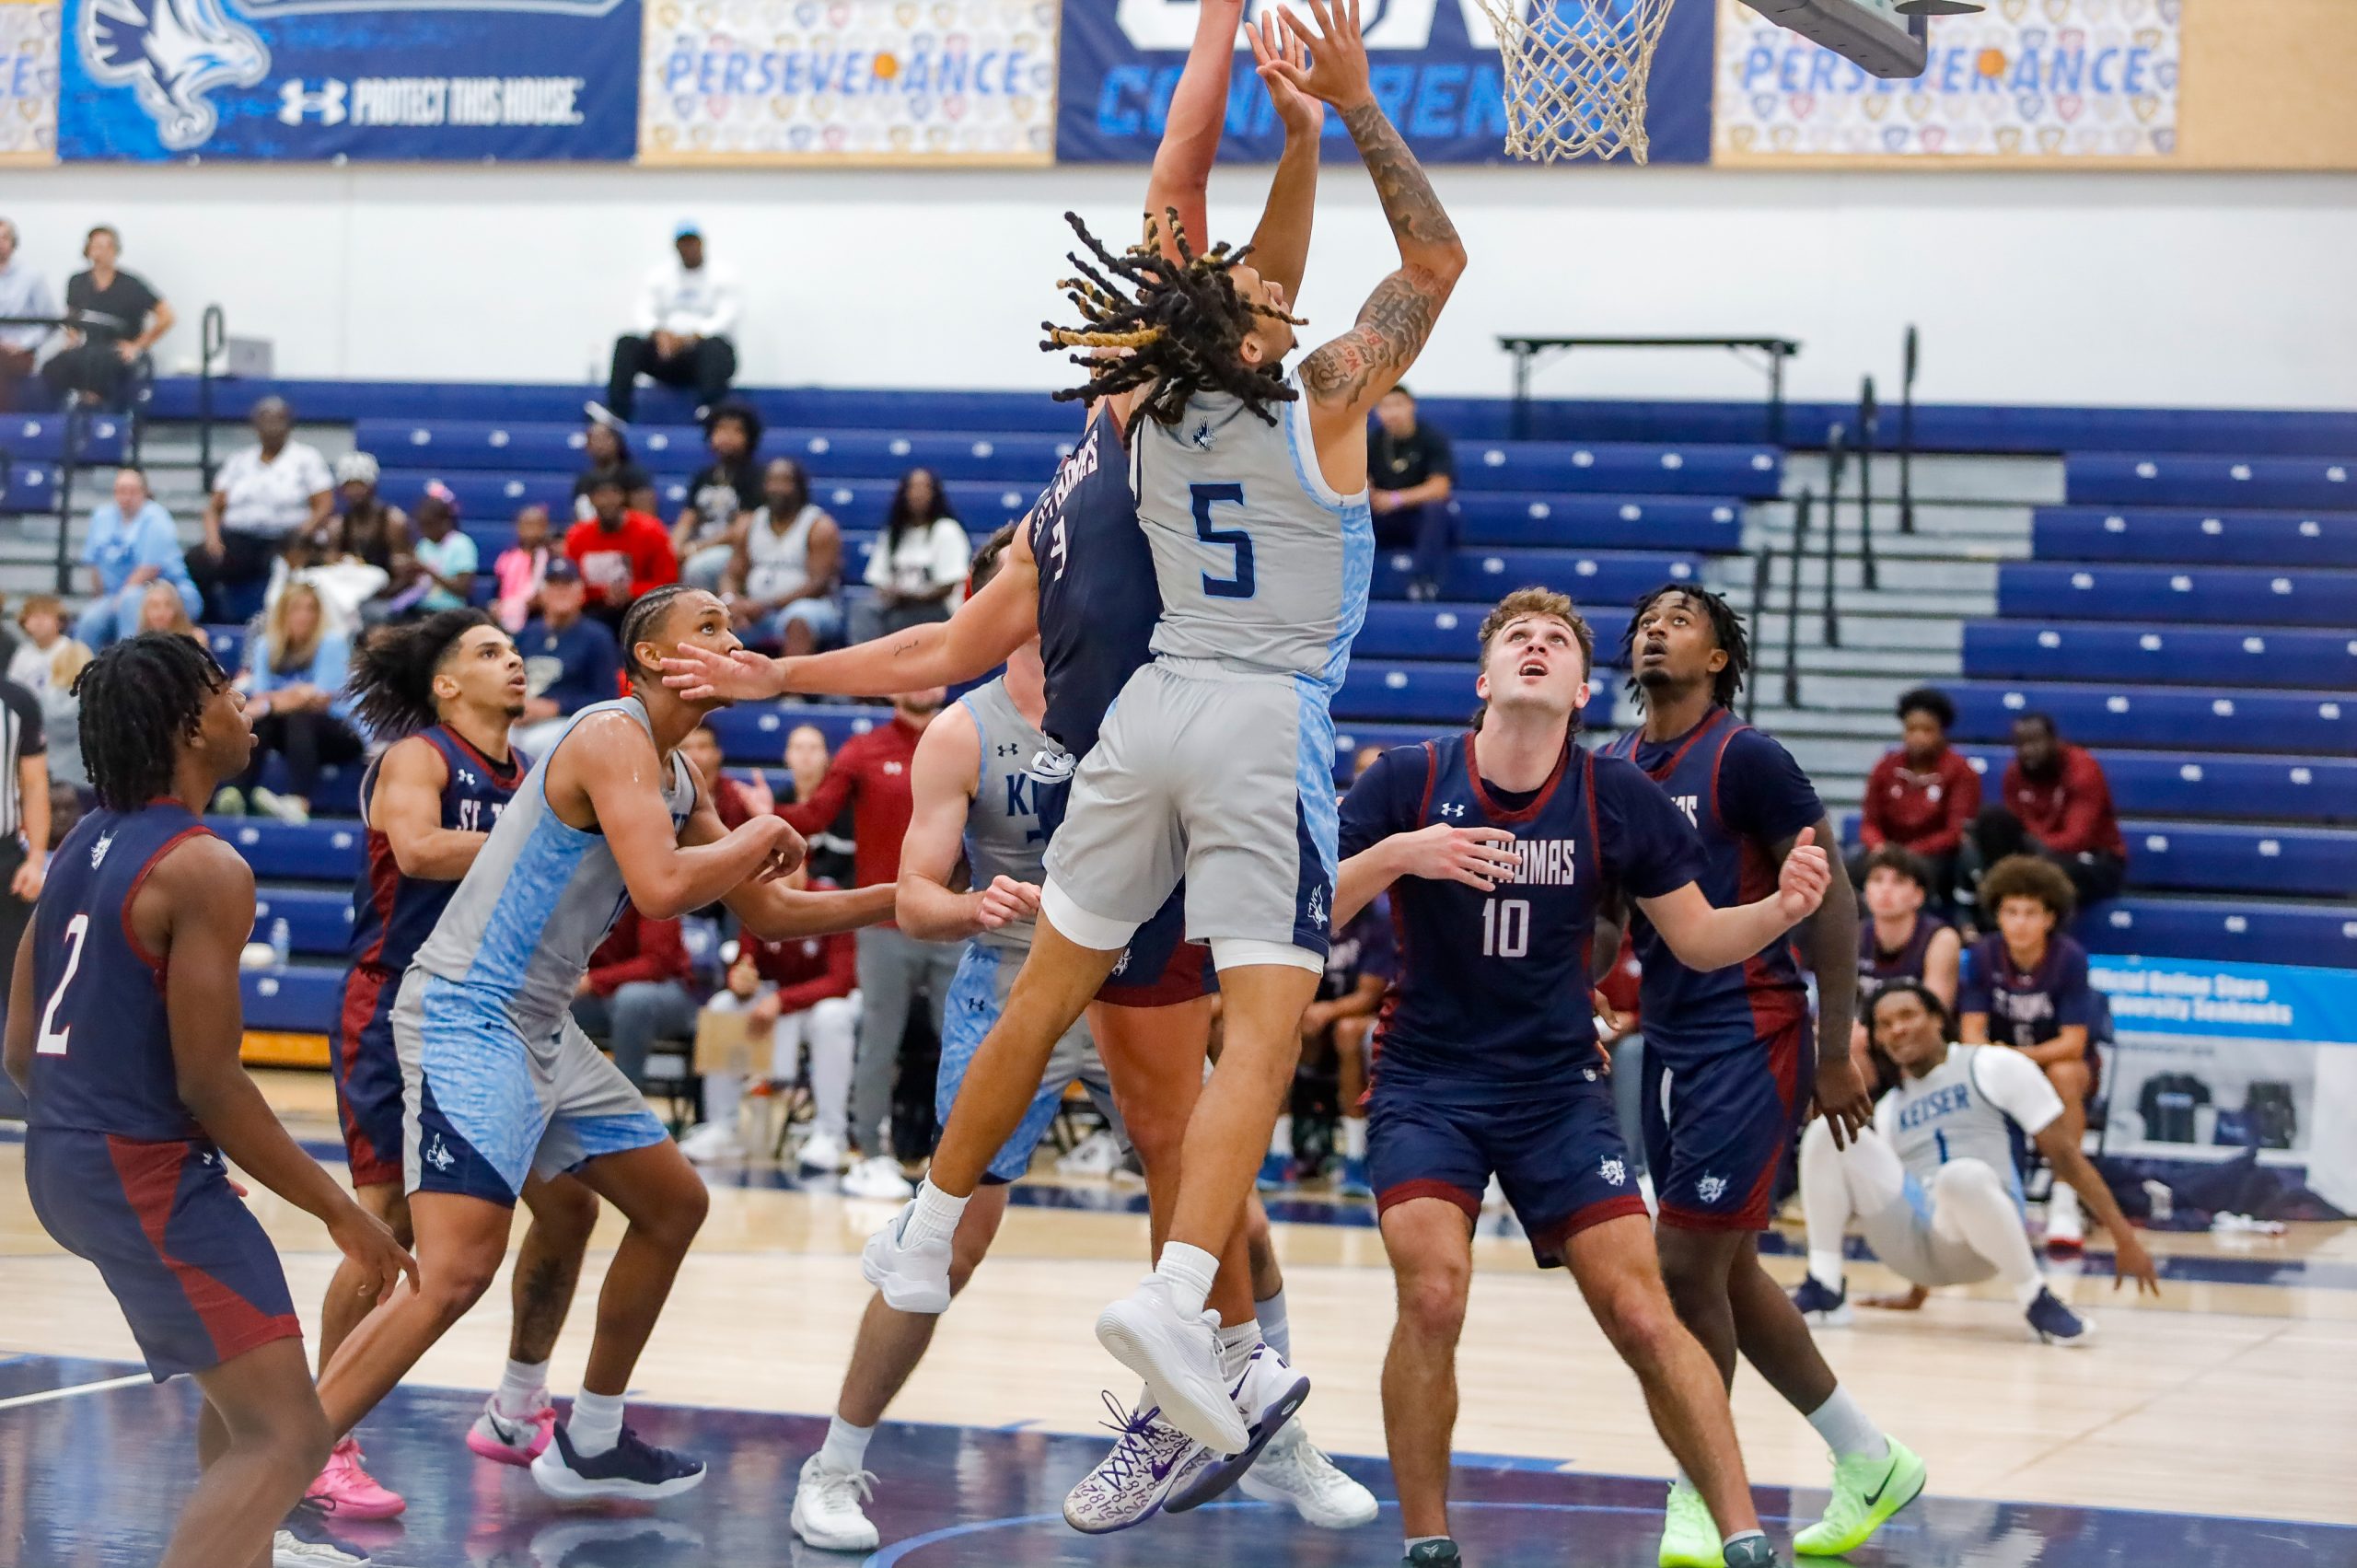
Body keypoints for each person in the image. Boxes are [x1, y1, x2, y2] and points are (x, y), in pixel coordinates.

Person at [670, 9, 1370, 1534]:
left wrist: (1226, 42)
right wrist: (783, 672)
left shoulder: (1192, 415)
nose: (1146, 281)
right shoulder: (1064, 490)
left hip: (1181, 794)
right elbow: (939, 646)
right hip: (1098, 831)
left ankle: (1244, 1407)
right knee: (1020, 1187)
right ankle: (851, 1444)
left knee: (1195, 1155)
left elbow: (1184, 166)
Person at [314, 586, 896, 1504]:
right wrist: (758, 833)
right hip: (470, 1012)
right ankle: (292, 1456)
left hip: (541, 1024)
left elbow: (770, 911)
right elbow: (660, 886)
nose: (732, 640)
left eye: (732, 626)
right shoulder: (606, 735)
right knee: (449, 1266)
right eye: (708, 627)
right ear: (655, 659)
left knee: (671, 1203)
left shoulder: (675, 774)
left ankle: (585, 1435)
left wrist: (900, 901)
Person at [1338, 588, 1841, 1568]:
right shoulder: (1409, 777)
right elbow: (1308, 908)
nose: (1537, 646)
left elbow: (1698, 938)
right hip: (1428, 1082)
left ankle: (1743, 1535)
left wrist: (1782, 910)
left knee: (1644, 1309)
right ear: (1484, 679)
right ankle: (1428, 1541)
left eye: (1558, 641)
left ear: (1578, 692)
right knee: (1433, 1293)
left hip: (1554, 1089)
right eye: (1517, 637)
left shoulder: (1615, 794)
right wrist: (1402, 854)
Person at [5, 633, 414, 1568]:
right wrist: (341, 1210)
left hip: (67, 1154)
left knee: (247, 1405)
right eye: (229, 690)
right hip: (137, 1169)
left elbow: (22, 1047)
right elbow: (211, 1081)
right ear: (190, 725)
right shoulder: (204, 866)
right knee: (291, 1436)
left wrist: (111, 1144)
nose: (247, 704)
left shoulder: (79, 841)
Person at [1596, 584, 1920, 1565]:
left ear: (1719, 658)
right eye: (1646, 620)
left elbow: (1832, 897)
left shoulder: (1748, 756)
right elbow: (1609, 918)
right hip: (1670, 1039)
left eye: (1679, 619)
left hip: (1754, 1029)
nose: (1655, 629)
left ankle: (1700, 1491)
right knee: (1725, 1269)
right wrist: (1572, 996)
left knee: (1683, 1265)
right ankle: (1870, 1458)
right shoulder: (1615, 765)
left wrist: (1836, 1048)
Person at [312, 609, 602, 1520]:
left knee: (570, 1202)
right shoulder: (420, 757)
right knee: (384, 1225)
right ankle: (319, 1441)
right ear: (445, 684)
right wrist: (549, 843)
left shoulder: (530, 775)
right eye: (488, 651)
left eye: (513, 648)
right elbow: (419, 848)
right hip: (394, 1002)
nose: (512, 659)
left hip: (492, 1016)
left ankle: (517, 1405)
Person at [1794, 981, 2158, 1343]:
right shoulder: (1889, 1107)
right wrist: (1916, 1294)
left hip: (1984, 1242)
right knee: (1829, 1130)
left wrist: (2124, 1238)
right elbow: (1907, 1192)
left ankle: (2037, 1299)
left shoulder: (1992, 1064)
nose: (1897, 1029)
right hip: (1915, 1247)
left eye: (1907, 1015)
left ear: (1938, 1018)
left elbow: (2065, 1156)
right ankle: (1826, 1288)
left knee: (1959, 1176)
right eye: (1885, 1024)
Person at [777, 685, 962, 1201]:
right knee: (879, 1040)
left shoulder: (966, 740)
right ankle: (870, 1155)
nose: (924, 684)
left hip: (953, 918)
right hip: (884, 922)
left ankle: (961, 1163)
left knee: (964, 1043)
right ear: (894, 687)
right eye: (914, 673)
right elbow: (816, 816)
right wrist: (763, 812)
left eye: (933, 673)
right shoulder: (863, 750)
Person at [1958, 854, 2105, 1257]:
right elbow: (1971, 1034)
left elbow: (2073, 1043)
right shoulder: (1983, 956)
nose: (2020, 923)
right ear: (1998, 916)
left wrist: (2018, 1057)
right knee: (1971, 1070)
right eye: (2011, 912)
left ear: (2049, 918)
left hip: (2050, 1065)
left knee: (2065, 1073)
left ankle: (2064, 1198)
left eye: (2030, 913)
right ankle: (1996, 1195)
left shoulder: (2069, 958)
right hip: (2001, 1067)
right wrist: (2002, 1062)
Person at [686, 865, 859, 1167]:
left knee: (831, 1018)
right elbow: (746, 962)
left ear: (803, 863)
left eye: (783, 864)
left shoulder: (830, 900)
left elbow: (841, 981)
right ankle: (723, 1128)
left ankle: (831, 1133)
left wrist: (782, 1000)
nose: (774, 872)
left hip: (821, 1002)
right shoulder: (758, 902)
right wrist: (740, 980)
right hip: (774, 1000)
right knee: (723, 1005)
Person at [1260, 889, 1388, 1195]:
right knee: (1278, 1028)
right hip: (1309, 1016)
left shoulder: (1377, 920)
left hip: (1358, 1017)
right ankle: (1280, 1150)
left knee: (1347, 1032)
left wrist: (1327, 1011)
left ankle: (1356, 1155)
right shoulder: (1304, 910)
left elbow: (1369, 995)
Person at [220, 583, 364, 825]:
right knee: (262, 723)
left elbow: (319, 699)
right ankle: (235, 792)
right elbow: (262, 698)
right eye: (297, 609)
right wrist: (292, 696)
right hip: (292, 733)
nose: (304, 616)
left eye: (311, 609)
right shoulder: (266, 646)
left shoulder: (332, 643)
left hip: (340, 732)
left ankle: (298, 801)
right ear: (283, 613)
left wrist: (275, 702)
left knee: (298, 717)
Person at [194, 398, 335, 625]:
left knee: (287, 562)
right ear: (255, 425)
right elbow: (212, 508)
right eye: (265, 420)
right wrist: (212, 539)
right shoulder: (239, 460)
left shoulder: (306, 458)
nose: (271, 427)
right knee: (196, 561)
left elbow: (324, 504)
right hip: (241, 538)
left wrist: (304, 530)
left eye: (277, 420)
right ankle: (210, 622)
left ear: (289, 424)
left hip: (285, 537)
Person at [1975, 712, 2126, 912]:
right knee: (1991, 819)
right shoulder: (2014, 773)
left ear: (2055, 741)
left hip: (2092, 859)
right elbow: (2015, 827)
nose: (2028, 751)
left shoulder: (2083, 770)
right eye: (2021, 744)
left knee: (2049, 873)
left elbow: (2077, 838)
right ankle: (1991, 913)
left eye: (2036, 742)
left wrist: (2031, 852)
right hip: (2037, 855)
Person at [599, 221, 739, 424]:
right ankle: (617, 411)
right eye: (683, 243)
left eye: (692, 242)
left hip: (703, 355)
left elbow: (728, 315)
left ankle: (710, 409)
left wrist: (691, 337)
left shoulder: (724, 275)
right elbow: (643, 310)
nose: (688, 248)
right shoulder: (660, 276)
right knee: (627, 343)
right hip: (668, 353)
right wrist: (659, 334)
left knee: (715, 346)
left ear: (701, 243)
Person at [1853, 687, 1978, 912]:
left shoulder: (1961, 771)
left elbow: (1955, 832)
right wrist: (1879, 846)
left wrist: (1910, 853)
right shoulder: (1886, 766)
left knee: (1923, 872)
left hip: (1935, 856)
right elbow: (1869, 822)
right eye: (1911, 729)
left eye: (1927, 730)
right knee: (1847, 865)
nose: (1918, 737)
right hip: (1887, 850)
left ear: (1942, 732)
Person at [1853, 845, 1960, 1081]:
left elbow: (1933, 1014)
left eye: (1898, 882)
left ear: (1918, 896)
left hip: (1923, 1045)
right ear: (1866, 890)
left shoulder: (1940, 938)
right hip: (1872, 1044)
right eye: (1877, 880)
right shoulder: (1854, 936)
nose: (1885, 889)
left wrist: (1869, 1034)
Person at [42, 224, 174, 408]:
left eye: (107, 247)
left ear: (116, 250)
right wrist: (72, 338)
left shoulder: (131, 284)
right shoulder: (77, 282)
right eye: (96, 246)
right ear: (88, 250)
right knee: (52, 366)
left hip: (117, 350)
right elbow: (72, 317)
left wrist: (137, 346)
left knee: (102, 365)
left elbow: (167, 317)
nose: (101, 252)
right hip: (87, 348)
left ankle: (97, 410)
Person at [570, 906, 701, 1089]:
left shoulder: (648, 893)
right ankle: (547, 1095)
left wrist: (593, 981)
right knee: (543, 997)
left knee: (632, 1000)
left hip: (668, 992)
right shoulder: (572, 897)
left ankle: (623, 1096)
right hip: (599, 997)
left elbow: (656, 964)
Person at [726, 457, 842, 655]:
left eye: (784, 481)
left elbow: (818, 584)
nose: (777, 488)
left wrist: (767, 605)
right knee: (719, 620)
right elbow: (732, 573)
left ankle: (791, 677)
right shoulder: (750, 523)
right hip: (756, 610)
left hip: (810, 606)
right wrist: (732, 602)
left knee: (798, 621)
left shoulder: (819, 526)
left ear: (799, 487)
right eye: (772, 481)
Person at [77, 467, 202, 648]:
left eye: (132, 491)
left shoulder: (157, 518)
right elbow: (95, 565)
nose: (126, 497)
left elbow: (149, 569)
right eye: (121, 491)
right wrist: (101, 598)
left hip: (167, 590)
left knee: (130, 601)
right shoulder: (102, 516)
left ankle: (128, 660)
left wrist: (120, 600)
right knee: (90, 619)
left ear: (144, 493)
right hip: (115, 595)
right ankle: (83, 665)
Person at [516, 560, 624, 757]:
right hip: (523, 718)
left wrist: (556, 707)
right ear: (542, 593)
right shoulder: (526, 634)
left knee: (534, 744)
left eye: (567, 585)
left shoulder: (597, 638)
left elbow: (607, 699)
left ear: (581, 593)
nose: (561, 591)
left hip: (569, 721)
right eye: (554, 585)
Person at [850, 468, 970, 645]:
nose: (918, 494)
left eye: (924, 488)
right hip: (898, 606)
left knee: (895, 622)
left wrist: (912, 596)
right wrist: (891, 594)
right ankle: (864, 660)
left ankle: (875, 660)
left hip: (938, 610)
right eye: (912, 488)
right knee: (861, 609)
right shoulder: (894, 533)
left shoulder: (947, 530)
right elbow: (878, 580)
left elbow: (949, 585)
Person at [1368, 386, 1455, 602]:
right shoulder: (1372, 441)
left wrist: (1396, 499)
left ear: (1411, 406)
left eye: (1398, 405)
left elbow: (1440, 487)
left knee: (1437, 510)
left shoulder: (1432, 438)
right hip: (1385, 518)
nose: (1392, 412)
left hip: (1419, 518)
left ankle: (1422, 582)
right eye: (1385, 406)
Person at [566, 472, 679, 629]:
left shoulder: (651, 531)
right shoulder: (577, 536)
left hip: (643, 607)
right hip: (593, 610)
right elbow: (571, 583)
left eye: (614, 494)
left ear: (624, 497)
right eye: (601, 495)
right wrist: (603, 592)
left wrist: (631, 591)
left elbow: (668, 582)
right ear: (591, 500)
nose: (608, 501)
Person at [674, 402, 763, 592]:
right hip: (699, 545)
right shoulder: (703, 476)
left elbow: (741, 529)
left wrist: (696, 548)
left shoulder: (757, 476)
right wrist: (673, 547)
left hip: (735, 549)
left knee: (699, 567)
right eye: (721, 429)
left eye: (736, 431)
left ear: (749, 438)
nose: (727, 437)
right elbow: (687, 519)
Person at [784, 723, 855, 885]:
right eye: (798, 747)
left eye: (814, 748)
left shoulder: (845, 806)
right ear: (786, 755)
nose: (806, 754)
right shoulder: (779, 802)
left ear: (827, 756)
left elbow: (848, 863)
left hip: (838, 889)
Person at [0, 217, 58, 412]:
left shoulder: (31, 277)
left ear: (13, 243)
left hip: (20, 351)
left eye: (4, 238)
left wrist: (23, 344)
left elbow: (51, 321)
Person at [399, 486, 478, 618]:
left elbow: (463, 589)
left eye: (429, 525)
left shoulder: (461, 544)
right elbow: (415, 583)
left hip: (450, 612)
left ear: (445, 522)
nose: (424, 531)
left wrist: (427, 569)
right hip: (419, 608)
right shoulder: (424, 544)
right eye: (421, 526)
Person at [572, 416, 657, 523]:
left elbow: (646, 520)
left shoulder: (635, 476)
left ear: (617, 442)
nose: (600, 445)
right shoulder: (583, 481)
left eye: (605, 438)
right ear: (587, 447)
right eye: (594, 439)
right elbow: (579, 522)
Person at [493, 505, 556, 633]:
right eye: (526, 524)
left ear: (545, 527)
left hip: (538, 618)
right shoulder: (507, 556)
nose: (531, 530)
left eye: (536, 525)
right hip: (507, 615)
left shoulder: (550, 557)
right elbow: (498, 588)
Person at [140, 579, 207, 645]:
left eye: (168, 605)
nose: (161, 612)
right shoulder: (139, 644)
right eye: (155, 606)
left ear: (177, 608)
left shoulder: (196, 639)